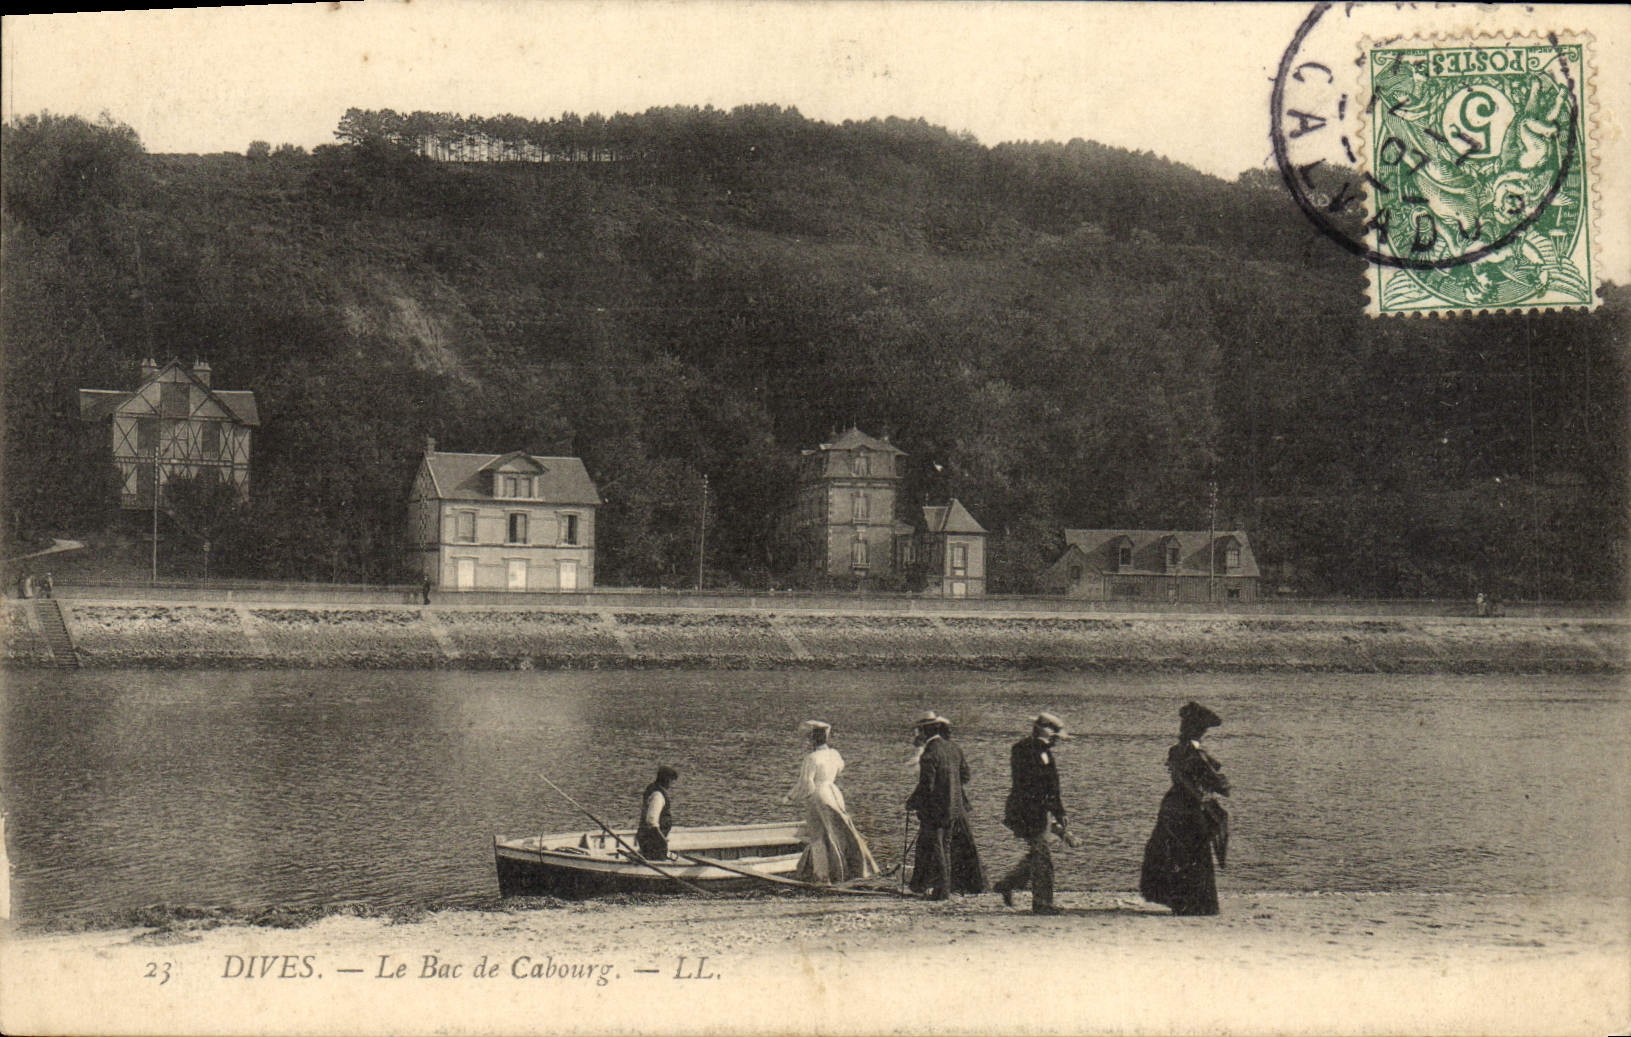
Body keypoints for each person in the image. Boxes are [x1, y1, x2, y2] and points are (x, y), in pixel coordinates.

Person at [1140, 701, 1231, 916]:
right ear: (1200, 730)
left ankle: (1178, 900)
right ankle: (1196, 903)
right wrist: (1219, 782)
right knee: (1196, 852)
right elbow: (1220, 786)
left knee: (1174, 851)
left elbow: (1181, 775)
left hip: (1173, 804)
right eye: (1203, 729)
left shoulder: (1176, 750)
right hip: (1191, 806)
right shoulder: (1195, 752)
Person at [995, 712, 1079, 915]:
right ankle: (1042, 903)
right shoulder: (1038, 752)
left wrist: (1056, 811)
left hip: (1023, 809)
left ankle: (1008, 884)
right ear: (1048, 735)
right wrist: (1057, 811)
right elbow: (1045, 785)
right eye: (1055, 738)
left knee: (1037, 853)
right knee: (1043, 857)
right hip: (1033, 811)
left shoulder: (1023, 748)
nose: (1057, 742)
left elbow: (1043, 785)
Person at [782, 720, 879, 884]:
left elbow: (806, 783)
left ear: (812, 740)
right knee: (841, 831)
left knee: (818, 836)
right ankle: (853, 869)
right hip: (834, 792)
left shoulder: (811, 758)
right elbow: (840, 769)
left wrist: (790, 797)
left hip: (818, 795)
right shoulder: (834, 754)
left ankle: (823, 875)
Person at [905, 712, 987, 899]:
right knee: (947, 846)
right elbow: (965, 776)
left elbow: (927, 785)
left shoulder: (929, 753)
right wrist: (950, 786)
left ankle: (941, 891)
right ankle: (946, 887)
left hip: (936, 809)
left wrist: (912, 803)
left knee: (937, 846)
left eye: (920, 730)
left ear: (925, 731)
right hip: (956, 808)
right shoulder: (953, 748)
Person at [636, 766, 678, 861]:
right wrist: (663, 841)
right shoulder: (658, 796)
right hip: (653, 840)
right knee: (657, 860)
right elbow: (651, 821)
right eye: (672, 781)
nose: (672, 785)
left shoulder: (653, 790)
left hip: (648, 838)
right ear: (667, 780)